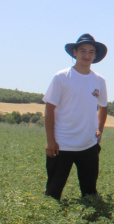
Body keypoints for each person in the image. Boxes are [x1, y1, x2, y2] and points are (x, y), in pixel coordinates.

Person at [43, 34, 108, 200]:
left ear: (95, 55)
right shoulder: (62, 77)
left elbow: (103, 106)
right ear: (74, 53)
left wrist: (99, 130)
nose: (87, 56)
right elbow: (49, 109)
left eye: (91, 52)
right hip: (61, 144)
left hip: (88, 145)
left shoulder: (99, 80)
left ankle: (91, 222)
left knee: (90, 194)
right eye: (82, 51)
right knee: (53, 193)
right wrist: (51, 140)